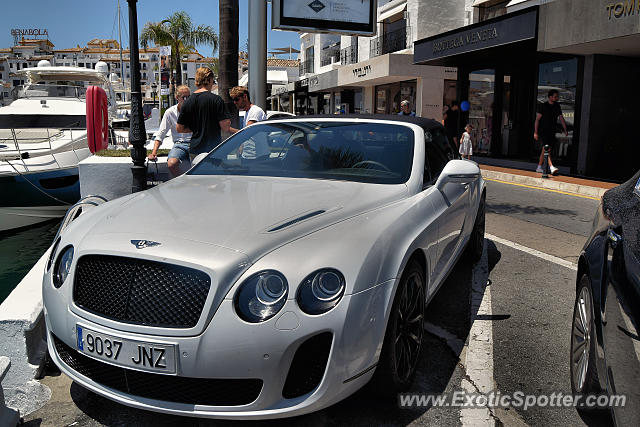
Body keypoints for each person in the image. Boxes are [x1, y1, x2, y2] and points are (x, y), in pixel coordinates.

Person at [176, 67, 231, 159]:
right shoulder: (216, 100)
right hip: (214, 149)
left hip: (195, 150)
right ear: (209, 80)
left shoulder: (188, 101)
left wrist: (197, 128)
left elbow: (179, 128)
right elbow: (225, 127)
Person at [147, 85, 192, 177]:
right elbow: (161, 133)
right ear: (177, 98)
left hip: (195, 143)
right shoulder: (170, 112)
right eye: (184, 97)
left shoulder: (195, 110)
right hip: (179, 144)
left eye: (189, 97)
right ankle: (185, 181)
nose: (187, 100)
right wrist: (154, 152)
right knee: (171, 164)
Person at [229, 86, 269, 161]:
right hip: (248, 156)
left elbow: (247, 133)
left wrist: (228, 128)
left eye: (237, 99)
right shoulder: (247, 112)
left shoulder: (255, 111)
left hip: (258, 158)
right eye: (233, 100)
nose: (235, 102)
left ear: (245, 97)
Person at [534, 89, 567, 175]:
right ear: (550, 97)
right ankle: (551, 167)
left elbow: (561, 118)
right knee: (546, 148)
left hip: (552, 131)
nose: (557, 98)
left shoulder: (557, 106)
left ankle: (539, 167)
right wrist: (535, 132)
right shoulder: (543, 106)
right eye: (555, 96)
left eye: (557, 96)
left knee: (544, 150)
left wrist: (565, 129)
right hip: (543, 131)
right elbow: (537, 119)